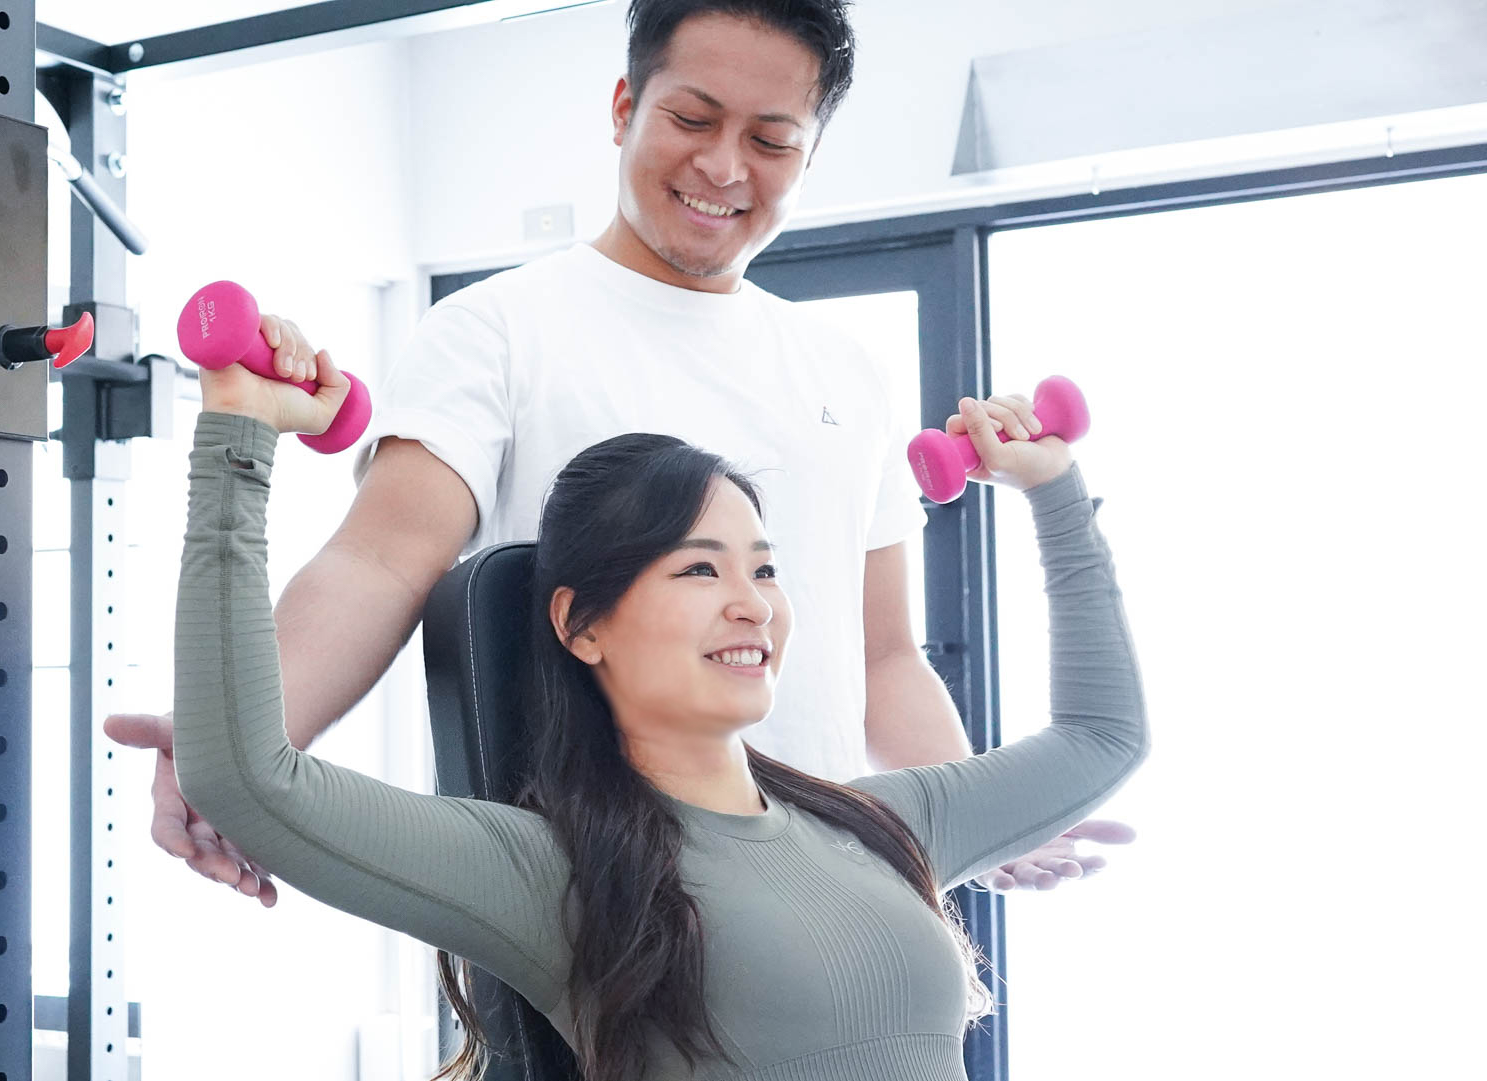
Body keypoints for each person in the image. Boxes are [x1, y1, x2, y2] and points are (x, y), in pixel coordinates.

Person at [108, 0, 1133, 907]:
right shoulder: (497, 330)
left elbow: (879, 654)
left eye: (772, 140)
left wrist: (977, 816)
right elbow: (380, 559)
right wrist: (227, 746)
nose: (725, 167)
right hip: (591, 911)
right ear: (622, 109)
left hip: (821, 899)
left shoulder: (845, 369)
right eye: (692, 119)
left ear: (809, 155)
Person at [170, 350, 1147, 1080]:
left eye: (765, 567)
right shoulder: (551, 870)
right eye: (699, 567)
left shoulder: (881, 826)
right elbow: (247, 776)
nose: (752, 601)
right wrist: (240, 437)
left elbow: (1104, 737)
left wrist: (1053, 487)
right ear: (582, 624)